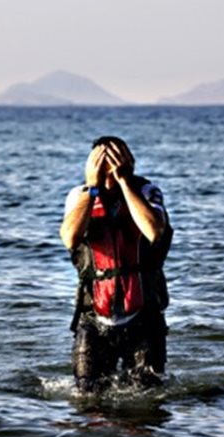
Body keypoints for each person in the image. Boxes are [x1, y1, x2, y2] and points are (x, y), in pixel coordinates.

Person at [59, 136, 173, 392]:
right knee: (87, 399)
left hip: (144, 317)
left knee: (147, 401)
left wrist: (123, 181)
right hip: (94, 318)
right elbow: (69, 238)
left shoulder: (147, 191)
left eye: (117, 159)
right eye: (102, 160)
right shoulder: (78, 196)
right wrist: (93, 187)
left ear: (130, 162)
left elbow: (154, 231)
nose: (109, 166)